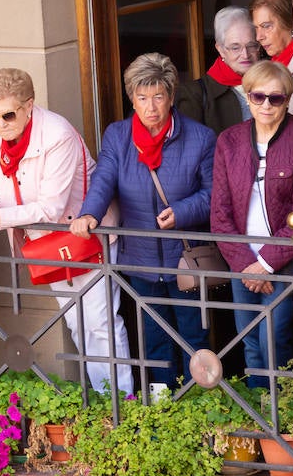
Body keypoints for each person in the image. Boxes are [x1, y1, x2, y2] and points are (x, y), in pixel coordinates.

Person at [0, 68, 133, 395]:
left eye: (8, 115)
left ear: (29, 106)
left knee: (101, 325)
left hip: (84, 238)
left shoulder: (57, 134)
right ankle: (99, 401)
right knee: (76, 324)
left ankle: (122, 404)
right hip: (46, 245)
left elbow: (51, 208)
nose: (1, 125)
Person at [70, 53, 215, 387]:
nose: (151, 107)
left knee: (194, 337)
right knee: (155, 343)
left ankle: (203, 408)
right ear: (131, 98)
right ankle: (165, 410)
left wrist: (182, 211)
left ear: (171, 96)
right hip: (140, 258)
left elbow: (213, 195)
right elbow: (104, 179)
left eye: (159, 97)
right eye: (142, 97)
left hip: (186, 260)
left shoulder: (201, 138)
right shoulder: (118, 136)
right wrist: (89, 213)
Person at [211, 61, 293, 384]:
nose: (266, 105)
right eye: (258, 97)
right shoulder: (230, 141)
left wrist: (265, 264)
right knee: (250, 341)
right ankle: (261, 416)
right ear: (247, 97)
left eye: (275, 99)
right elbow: (219, 215)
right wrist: (248, 266)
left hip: (281, 261)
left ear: (287, 100)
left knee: (274, 340)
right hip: (242, 261)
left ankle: (287, 415)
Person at [176, 6, 262, 135]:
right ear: (220, 49)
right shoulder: (194, 95)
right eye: (235, 47)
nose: (245, 54)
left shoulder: (273, 80)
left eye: (251, 46)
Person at [250, 0, 293, 115]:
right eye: (256, 28)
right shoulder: (275, 63)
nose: (259, 37)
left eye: (266, 26)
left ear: (289, 23)